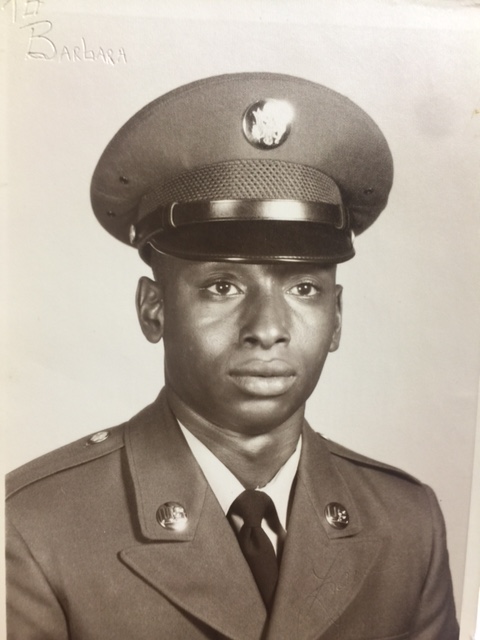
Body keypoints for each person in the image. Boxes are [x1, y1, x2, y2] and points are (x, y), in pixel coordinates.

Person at [5, 73, 459, 639]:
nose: (267, 330)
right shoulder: (35, 527)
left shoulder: (408, 525)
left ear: (337, 318)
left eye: (303, 288)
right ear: (154, 310)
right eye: (222, 286)